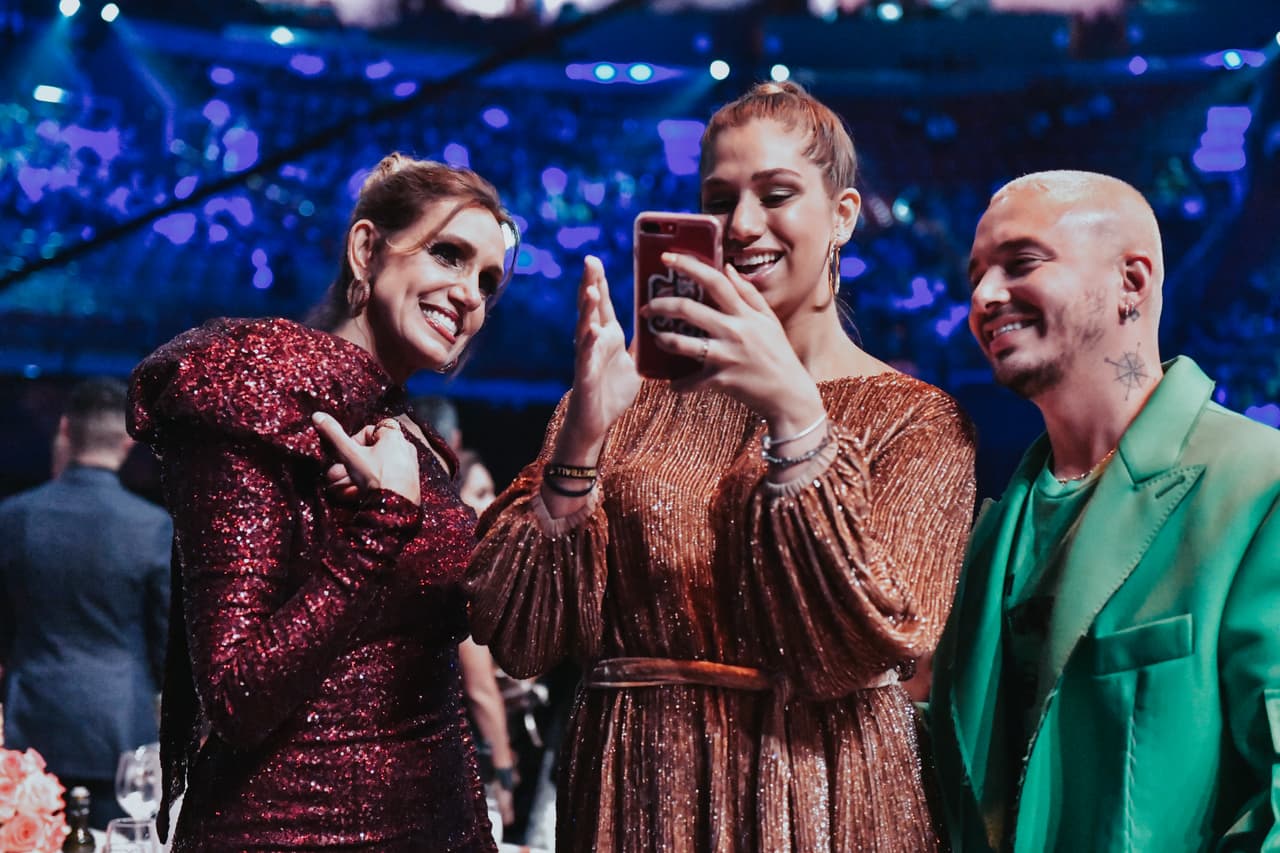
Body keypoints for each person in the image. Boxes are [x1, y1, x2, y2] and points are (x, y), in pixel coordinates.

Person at [466, 81, 977, 851]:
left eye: (776, 194)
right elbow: (520, 635)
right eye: (720, 198)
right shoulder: (632, 398)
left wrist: (797, 418)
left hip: (824, 806)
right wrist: (578, 439)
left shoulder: (920, 420)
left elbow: (875, 637)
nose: (741, 225)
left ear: (843, 215)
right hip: (636, 800)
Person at [128, 153, 517, 851]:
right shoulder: (254, 392)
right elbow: (237, 695)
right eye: (449, 254)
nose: (470, 295)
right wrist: (381, 526)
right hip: (285, 830)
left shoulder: (418, 445)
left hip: (441, 825)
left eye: (488, 281)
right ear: (367, 248)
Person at [929, 170, 1280, 851]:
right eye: (974, 274)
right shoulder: (991, 531)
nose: (983, 296)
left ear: (1133, 281)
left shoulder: (1259, 484)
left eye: (1020, 263)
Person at [0, 377, 171, 829]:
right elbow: (168, 642)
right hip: (119, 731)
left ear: (64, 430)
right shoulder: (152, 526)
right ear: (127, 442)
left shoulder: (13, 518)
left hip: (30, 725)